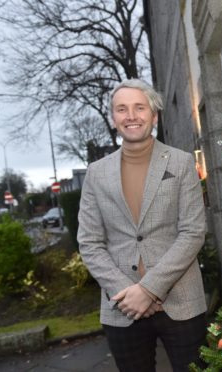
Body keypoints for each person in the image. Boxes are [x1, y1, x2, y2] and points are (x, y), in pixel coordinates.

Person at [77, 79, 207, 371]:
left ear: (154, 115)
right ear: (113, 118)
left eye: (139, 107)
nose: (131, 116)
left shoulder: (181, 162)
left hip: (181, 301)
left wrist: (148, 289)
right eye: (122, 109)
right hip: (122, 307)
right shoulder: (96, 174)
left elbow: (193, 232)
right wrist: (128, 292)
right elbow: (89, 242)